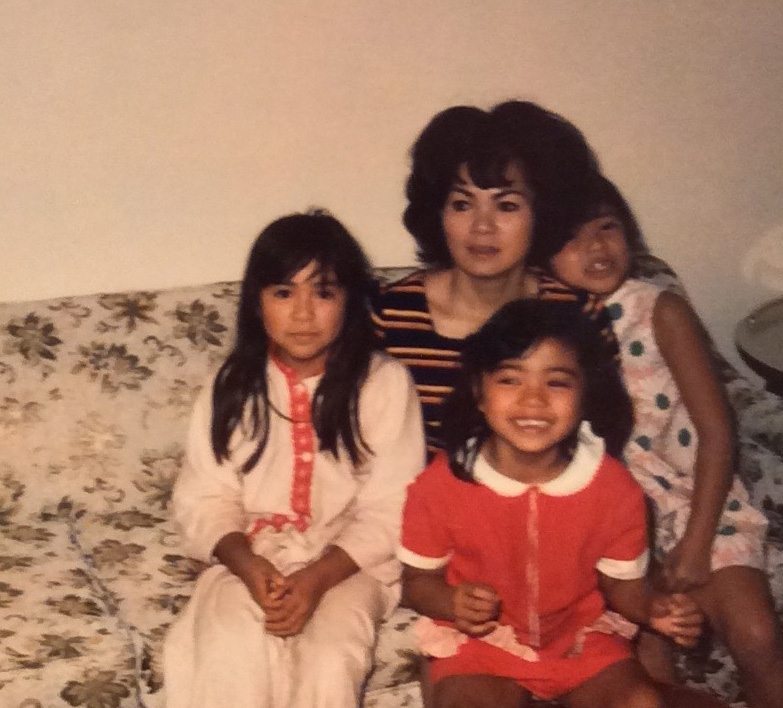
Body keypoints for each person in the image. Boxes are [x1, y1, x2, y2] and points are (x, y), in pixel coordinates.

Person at [548, 175, 783, 708]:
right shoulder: (554, 326)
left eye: (607, 227)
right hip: (615, 521)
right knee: (644, 663)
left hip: (698, 503)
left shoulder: (660, 310)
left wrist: (696, 541)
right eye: (572, 238)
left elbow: (715, 432)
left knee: (756, 635)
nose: (595, 247)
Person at [399, 299, 726, 708]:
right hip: (482, 645)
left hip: (581, 641)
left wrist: (652, 608)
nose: (533, 400)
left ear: (585, 394)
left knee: (641, 702)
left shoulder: (612, 488)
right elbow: (416, 583)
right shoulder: (442, 483)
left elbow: (621, 586)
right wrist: (452, 602)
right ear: (479, 393)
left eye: (557, 382)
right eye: (510, 380)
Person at [164, 211, 426, 708]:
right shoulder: (232, 386)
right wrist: (247, 564)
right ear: (256, 303)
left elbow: (394, 505)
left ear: (350, 302)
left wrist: (316, 578)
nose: (303, 313)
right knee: (228, 653)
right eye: (284, 292)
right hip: (253, 554)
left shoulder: (384, 383)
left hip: (350, 565)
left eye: (323, 292)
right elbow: (204, 494)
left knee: (329, 662)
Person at [373, 100, 612, 459]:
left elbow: (601, 439)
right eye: (462, 204)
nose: (482, 227)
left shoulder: (579, 315)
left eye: (507, 206)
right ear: (438, 213)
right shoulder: (386, 314)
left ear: (542, 215)